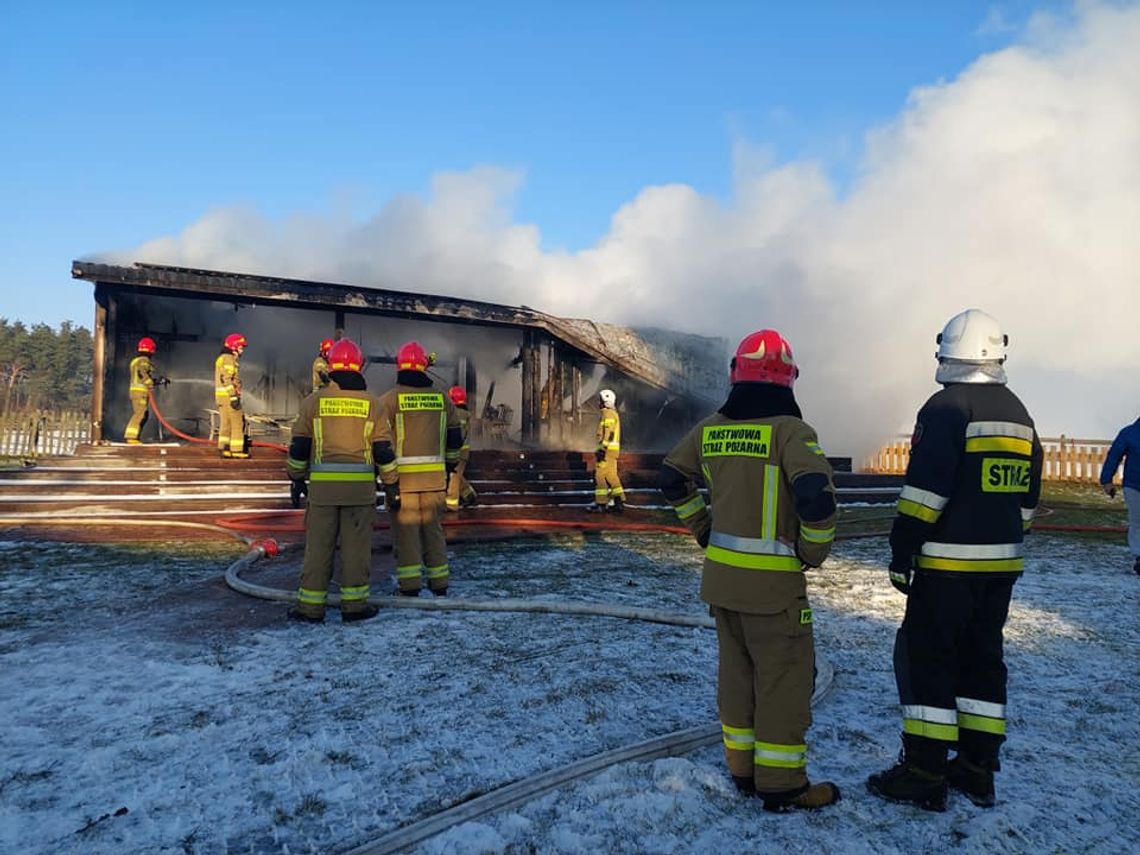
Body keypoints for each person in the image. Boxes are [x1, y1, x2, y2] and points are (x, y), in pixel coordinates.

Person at [867, 308, 1043, 812]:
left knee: (927, 658)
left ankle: (923, 771)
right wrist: (1003, 539)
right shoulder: (1019, 412)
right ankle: (976, 769)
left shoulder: (946, 407)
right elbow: (1027, 498)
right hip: (1001, 567)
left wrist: (903, 548)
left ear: (946, 351)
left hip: (946, 569)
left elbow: (926, 490)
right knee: (983, 662)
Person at [660, 329, 840, 813]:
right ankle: (782, 785)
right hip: (774, 592)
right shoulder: (791, 431)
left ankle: (742, 771)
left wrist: (702, 527)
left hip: (722, 583)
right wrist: (812, 552)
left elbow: (670, 477)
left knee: (736, 679)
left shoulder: (711, 428)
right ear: (788, 380)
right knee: (783, 683)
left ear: (736, 374)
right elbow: (816, 499)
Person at [285, 338, 382, 623]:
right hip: (360, 494)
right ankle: (354, 608)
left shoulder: (313, 402)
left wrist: (296, 477)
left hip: (323, 493)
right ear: (359, 366)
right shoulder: (372, 404)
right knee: (356, 551)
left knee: (317, 549)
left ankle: (310, 609)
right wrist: (391, 482)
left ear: (331, 367)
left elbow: (300, 446)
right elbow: (383, 450)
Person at [376, 341, 464, 596]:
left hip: (403, 484)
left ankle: (410, 585)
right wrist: (448, 468)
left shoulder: (388, 401)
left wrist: (386, 479)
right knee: (433, 532)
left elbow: (380, 443)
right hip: (435, 481)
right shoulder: (443, 399)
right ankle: (439, 583)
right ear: (424, 367)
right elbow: (455, 439)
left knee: (407, 536)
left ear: (399, 367)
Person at [1099, 416, 1140, 574]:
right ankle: (1139, 556)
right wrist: (1107, 480)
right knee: (1137, 521)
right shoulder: (1129, 433)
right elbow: (1114, 456)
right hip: (1134, 486)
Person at [587, 388, 625, 512]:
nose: (598, 403)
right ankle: (619, 501)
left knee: (599, 476)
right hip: (613, 451)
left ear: (605, 402)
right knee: (612, 476)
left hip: (607, 452)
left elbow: (609, 433)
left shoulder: (607, 414)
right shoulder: (613, 414)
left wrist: (603, 449)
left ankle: (601, 504)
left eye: (600, 400)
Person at [124, 337, 167, 443]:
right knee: (140, 413)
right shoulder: (144, 361)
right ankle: (131, 437)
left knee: (144, 414)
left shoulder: (136, 361)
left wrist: (158, 381)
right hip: (140, 392)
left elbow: (143, 376)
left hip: (137, 391)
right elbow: (142, 373)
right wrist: (150, 382)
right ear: (151, 350)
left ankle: (136, 436)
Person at [445, 385, 479, 511]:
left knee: (453, 476)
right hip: (463, 452)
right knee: (457, 474)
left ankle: (451, 504)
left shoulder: (454, 414)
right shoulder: (466, 414)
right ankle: (469, 494)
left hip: (456, 452)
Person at [215, 333, 248, 459]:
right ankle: (237, 450)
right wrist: (233, 397)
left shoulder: (222, 358)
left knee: (226, 423)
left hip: (222, 398)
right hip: (229, 398)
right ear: (234, 347)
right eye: (241, 347)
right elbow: (227, 379)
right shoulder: (229, 359)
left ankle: (224, 448)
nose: (242, 350)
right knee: (237, 423)